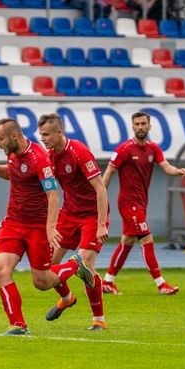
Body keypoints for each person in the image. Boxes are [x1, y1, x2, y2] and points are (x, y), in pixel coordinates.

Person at [0, 118, 69, 336]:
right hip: (13, 223)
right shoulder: (12, 154)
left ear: (14, 137)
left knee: (42, 282)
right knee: (0, 270)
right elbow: (12, 174)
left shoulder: (39, 158)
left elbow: (53, 194)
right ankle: (18, 325)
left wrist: (50, 227)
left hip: (37, 226)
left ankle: (75, 266)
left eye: (0, 139)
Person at [100, 111, 185, 295]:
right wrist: (98, 195)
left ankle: (107, 281)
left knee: (128, 240)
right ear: (132, 127)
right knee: (147, 238)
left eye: (143, 123)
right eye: (137, 124)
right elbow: (108, 172)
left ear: (149, 126)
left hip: (141, 203)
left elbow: (166, 166)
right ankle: (161, 284)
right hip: (128, 203)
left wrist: (177, 171)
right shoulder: (124, 149)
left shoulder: (153, 148)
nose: (140, 127)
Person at [37, 113, 108, 330]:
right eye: (41, 135)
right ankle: (67, 298)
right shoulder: (50, 157)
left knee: (86, 265)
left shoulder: (79, 152)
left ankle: (99, 321)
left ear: (59, 132)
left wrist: (101, 224)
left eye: (47, 135)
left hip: (92, 216)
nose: (44, 139)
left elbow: (100, 188)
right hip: (68, 215)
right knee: (48, 267)